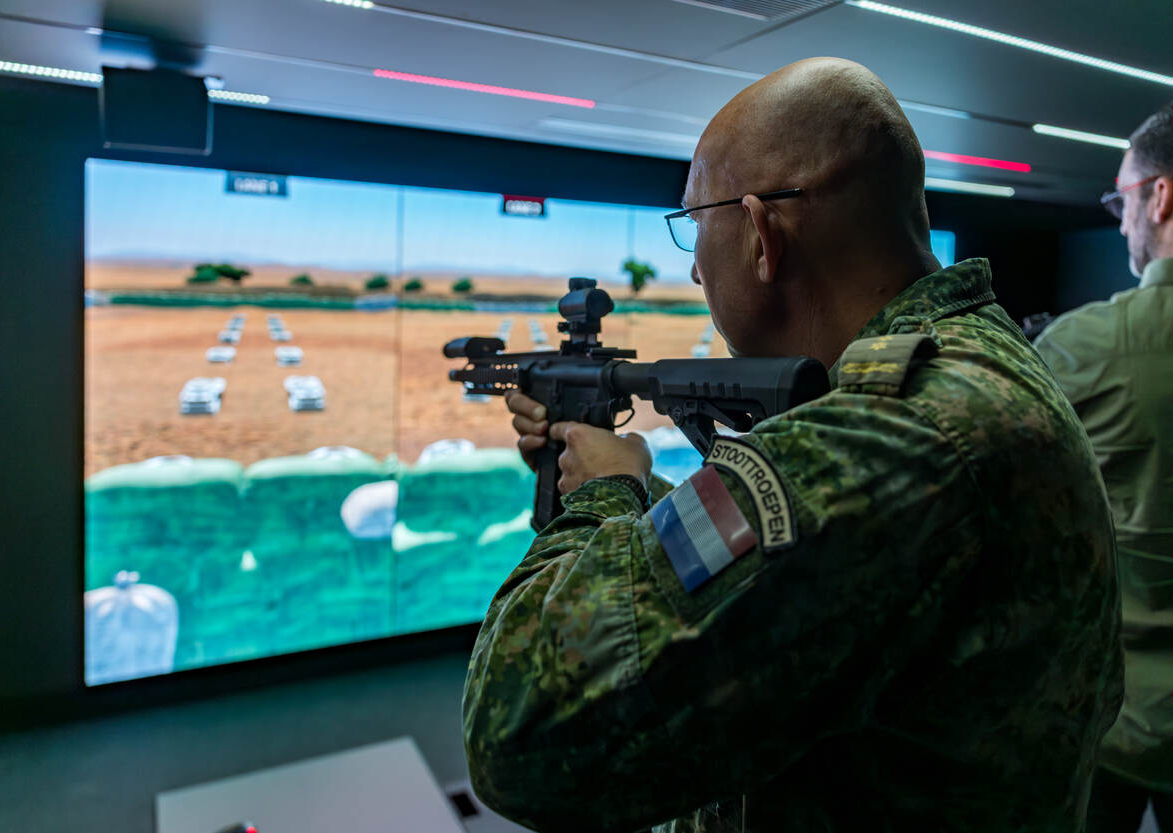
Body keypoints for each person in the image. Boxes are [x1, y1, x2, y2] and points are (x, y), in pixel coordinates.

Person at [463, 57, 1123, 833]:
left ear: (761, 236)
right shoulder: (975, 361)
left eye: (694, 225)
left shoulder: (891, 431)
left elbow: (516, 731)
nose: (695, 266)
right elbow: (805, 558)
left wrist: (604, 496)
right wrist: (632, 491)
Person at [1034, 92, 1173, 832]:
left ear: (1161, 196)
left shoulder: (1075, 348)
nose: (1120, 220)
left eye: (1121, 198)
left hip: (1104, 723)